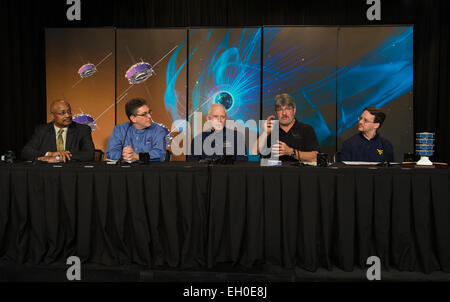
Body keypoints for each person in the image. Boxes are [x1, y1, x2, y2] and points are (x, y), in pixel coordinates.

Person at [252, 93, 319, 162]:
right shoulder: (269, 129)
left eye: (287, 109)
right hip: (272, 172)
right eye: (280, 109)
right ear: (276, 112)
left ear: (294, 110)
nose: (284, 113)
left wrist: (291, 152)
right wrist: (265, 133)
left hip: (297, 172)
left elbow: (315, 157)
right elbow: (254, 152)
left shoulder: (306, 129)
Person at [21, 99, 94, 162]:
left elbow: (89, 154)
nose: (68, 115)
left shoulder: (83, 130)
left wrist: (58, 158)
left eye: (69, 111)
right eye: (62, 113)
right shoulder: (42, 130)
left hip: (72, 171)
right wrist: (50, 154)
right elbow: (26, 152)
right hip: (47, 172)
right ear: (52, 116)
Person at [106, 98, 166, 162]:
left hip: (149, 170)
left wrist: (138, 156)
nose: (149, 116)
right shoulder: (120, 129)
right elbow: (111, 152)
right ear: (133, 119)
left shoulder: (158, 130)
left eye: (149, 112)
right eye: (144, 114)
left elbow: (160, 154)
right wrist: (125, 156)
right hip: (125, 170)